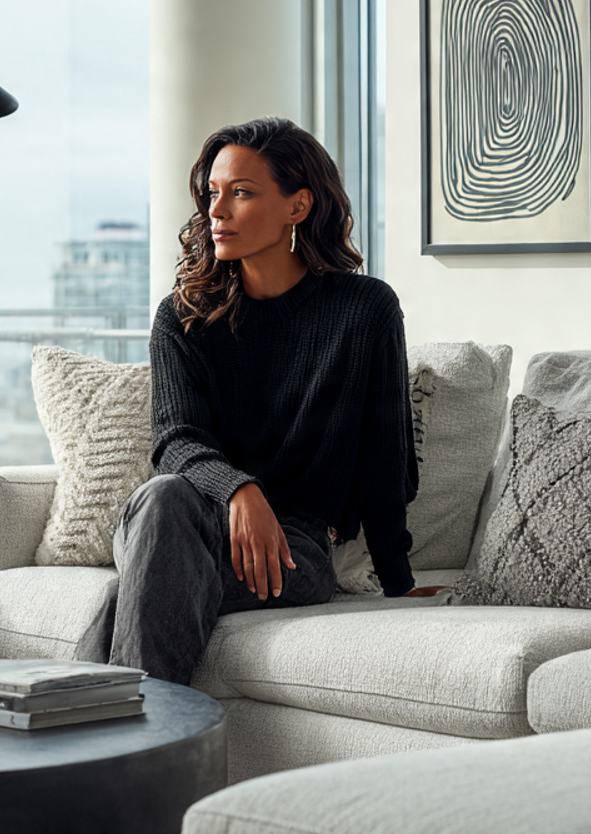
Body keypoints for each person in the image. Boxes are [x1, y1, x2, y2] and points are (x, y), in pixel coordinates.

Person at [93, 115, 438, 687]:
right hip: (187, 520)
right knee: (164, 497)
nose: (217, 211)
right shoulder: (182, 316)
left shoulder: (365, 310)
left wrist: (398, 581)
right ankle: (140, 748)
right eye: (213, 194)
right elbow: (175, 441)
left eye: (242, 193)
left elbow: (385, 462)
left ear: (297, 206)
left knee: (144, 584)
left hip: (297, 545)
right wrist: (239, 490)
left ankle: (82, 738)